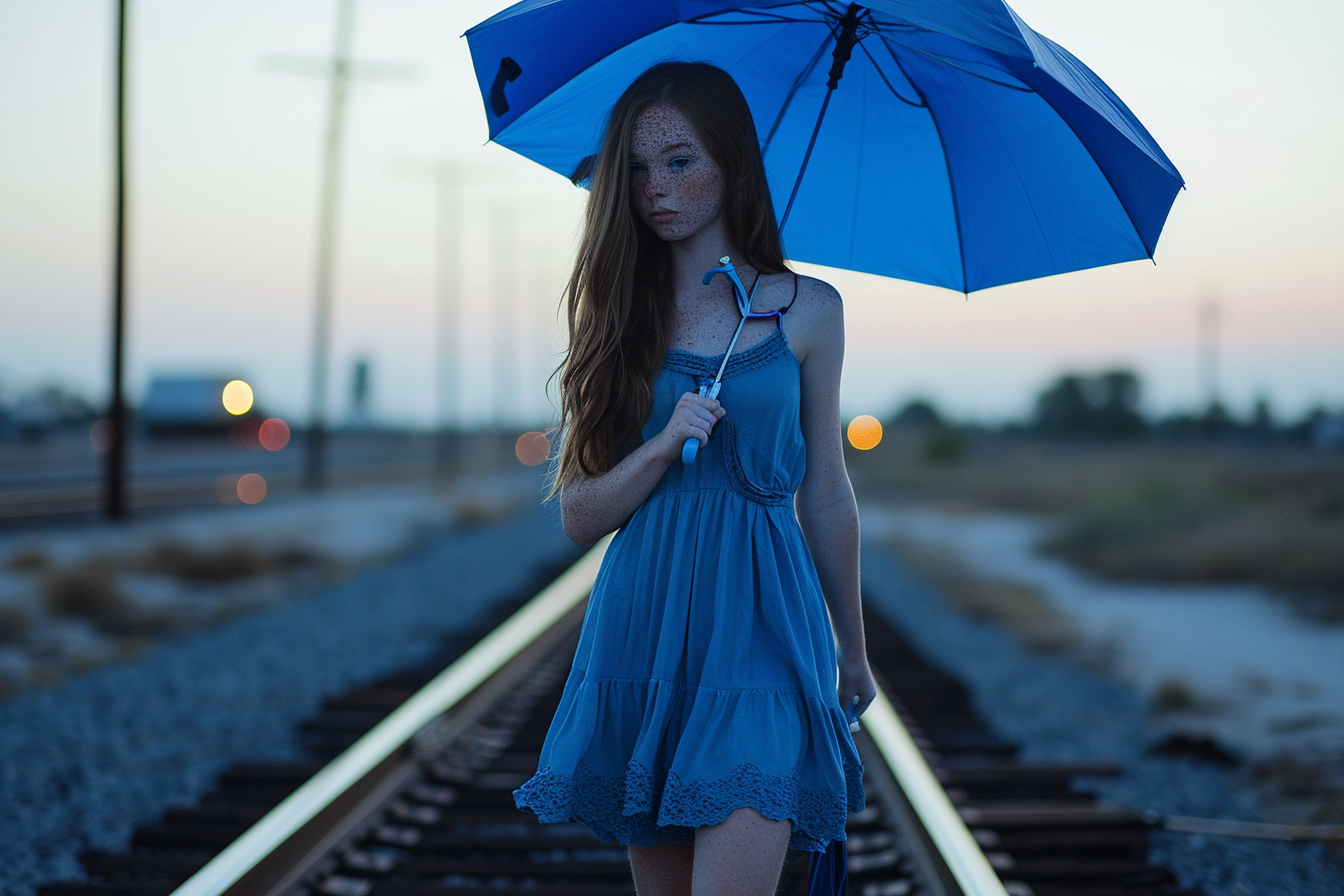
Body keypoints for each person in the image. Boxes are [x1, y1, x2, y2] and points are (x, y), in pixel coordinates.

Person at [513, 61, 876, 896]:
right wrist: (661, 443)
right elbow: (577, 515)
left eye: (680, 161)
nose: (655, 189)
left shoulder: (810, 310)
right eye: (637, 169)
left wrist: (853, 651)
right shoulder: (616, 315)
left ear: (733, 162)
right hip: (646, 625)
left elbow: (826, 492)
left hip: (765, 629)